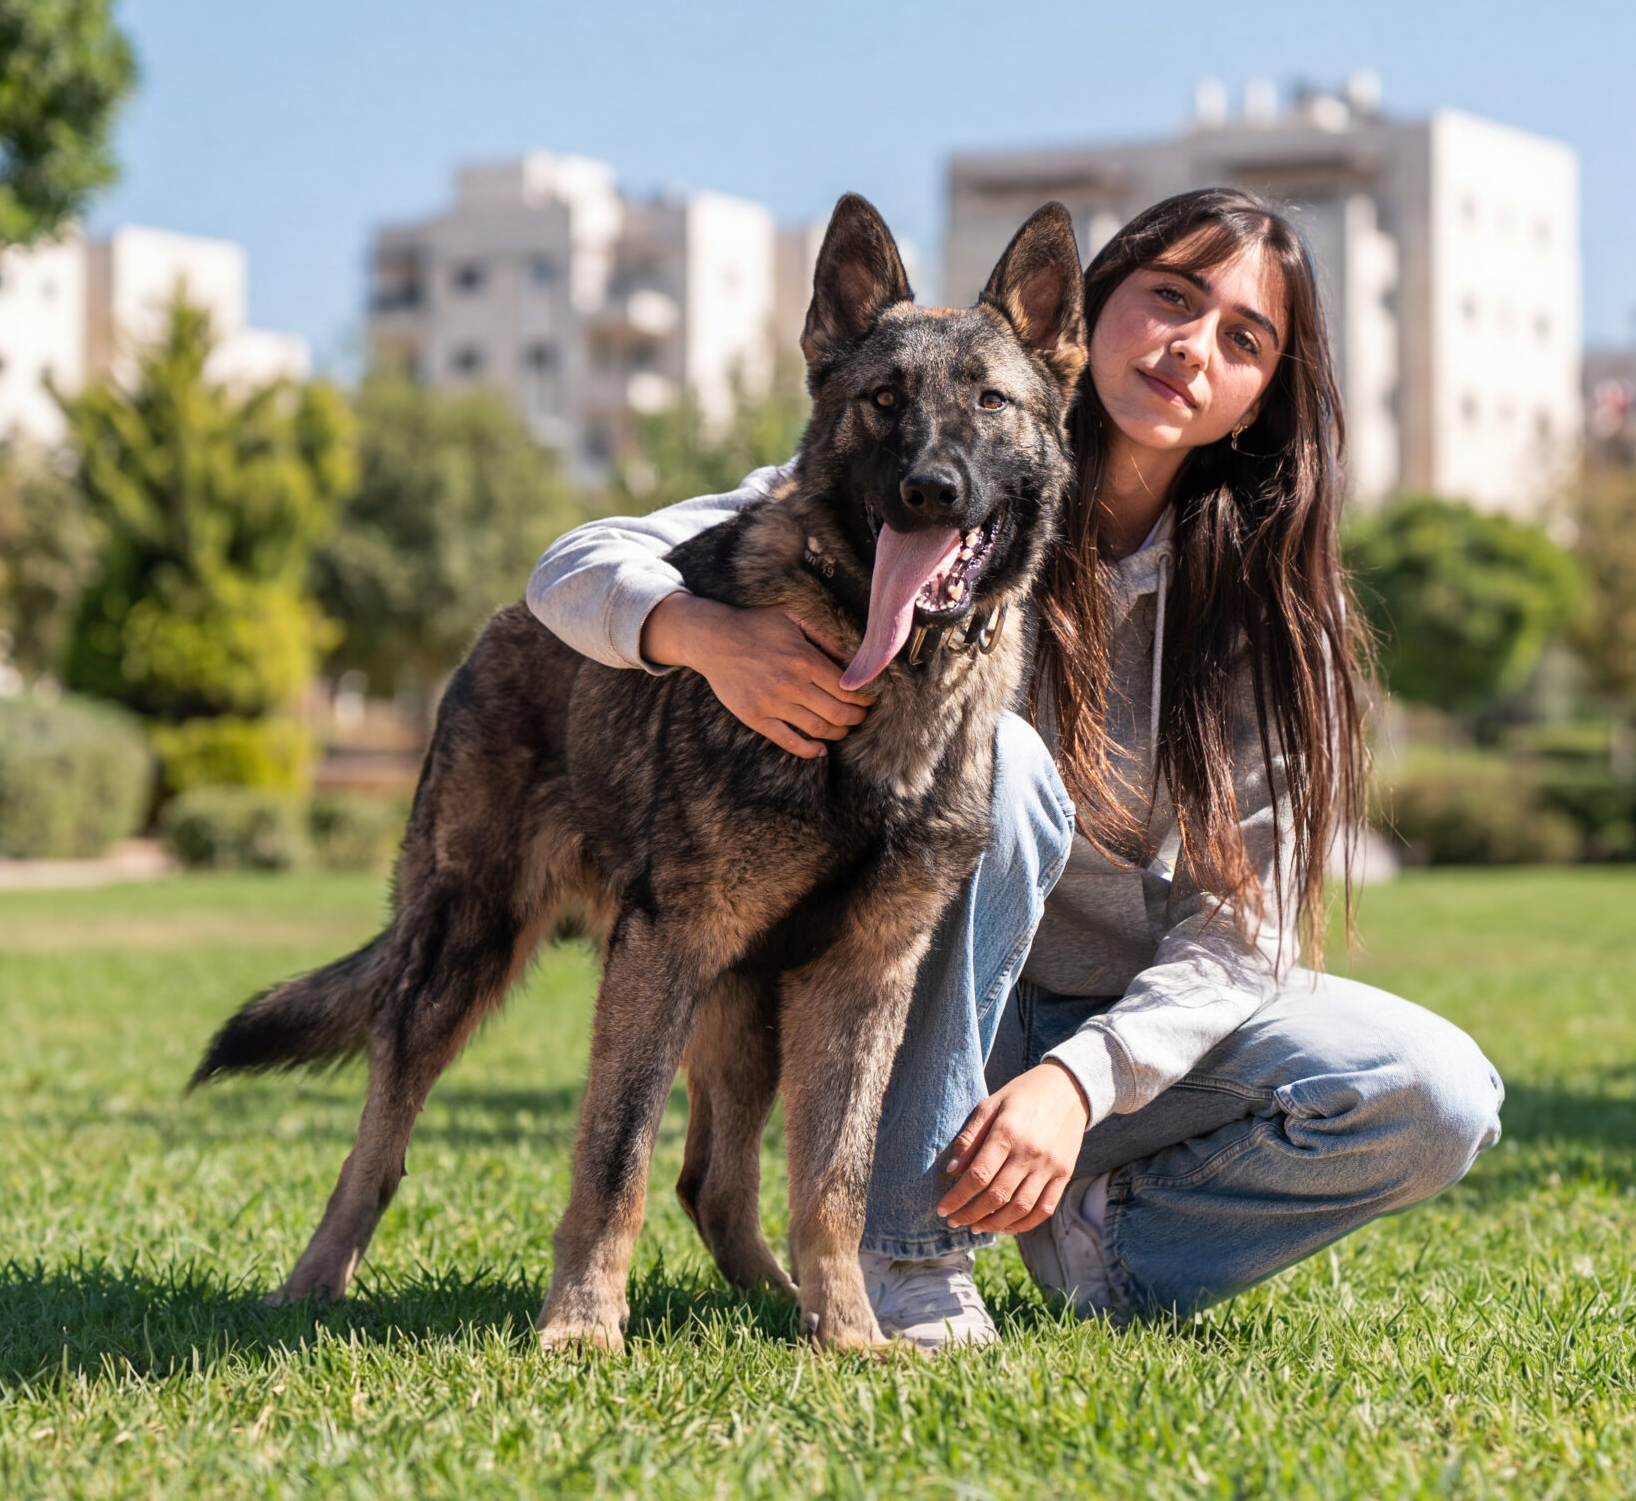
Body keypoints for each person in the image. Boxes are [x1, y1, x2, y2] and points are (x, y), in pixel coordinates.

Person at [527, 188, 1503, 1349]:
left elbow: (1242, 933)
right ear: (1086, 323)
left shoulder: (1271, 604)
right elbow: (573, 567)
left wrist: (1080, 1082)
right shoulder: (915, 468)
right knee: (1014, 763)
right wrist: (702, 635)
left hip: (1105, 1041)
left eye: (1244, 338)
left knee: (1434, 1092)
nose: (1194, 347)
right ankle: (910, 1253)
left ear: (1258, 399)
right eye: (1172, 301)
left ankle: (1094, 1236)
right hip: (905, 1013)